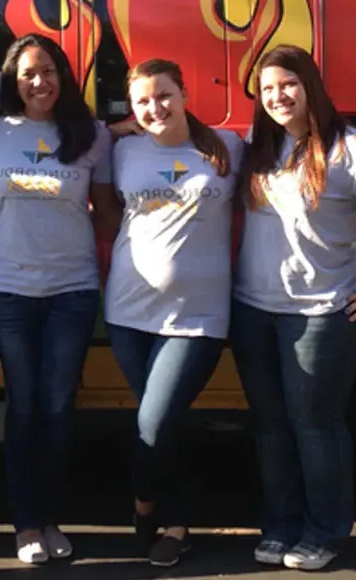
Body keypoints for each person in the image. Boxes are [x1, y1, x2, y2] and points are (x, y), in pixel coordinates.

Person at [0, 33, 118, 564]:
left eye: (48, 71)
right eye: (28, 74)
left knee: (60, 407)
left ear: (64, 76)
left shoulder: (92, 135)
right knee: (24, 407)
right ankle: (25, 526)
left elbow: (107, 210)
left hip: (73, 290)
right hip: (12, 289)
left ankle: (50, 519)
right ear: (13, 82)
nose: (39, 82)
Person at [105, 58, 243, 567]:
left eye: (163, 95)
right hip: (128, 312)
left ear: (184, 92)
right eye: (142, 100)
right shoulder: (122, 151)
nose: (154, 107)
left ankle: (145, 508)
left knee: (155, 422)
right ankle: (178, 522)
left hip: (198, 317)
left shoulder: (228, 147)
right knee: (162, 422)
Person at [231, 44, 356, 571]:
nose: (277, 96)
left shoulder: (348, 149)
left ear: (310, 85)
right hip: (253, 310)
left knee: (316, 424)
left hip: (322, 312)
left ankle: (326, 531)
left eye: (287, 84)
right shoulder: (256, 145)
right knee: (270, 425)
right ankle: (281, 526)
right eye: (266, 89)